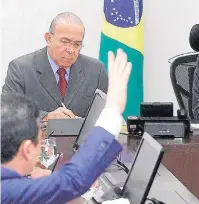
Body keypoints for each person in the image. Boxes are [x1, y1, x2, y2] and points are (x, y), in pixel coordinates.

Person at [1, 49, 132, 203]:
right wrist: (113, 108)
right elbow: (73, 181)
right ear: (27, 149)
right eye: (41, 139)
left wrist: (33, 179)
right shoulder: (10, 191)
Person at [2, 12, 108, 120]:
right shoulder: (21, 68)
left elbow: (107, 112)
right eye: (65, 42)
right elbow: (7, 112)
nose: (71, 50)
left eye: (77, 44)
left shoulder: (96, 70)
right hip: (37, 136)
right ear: (48, 39)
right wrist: (45, 117)